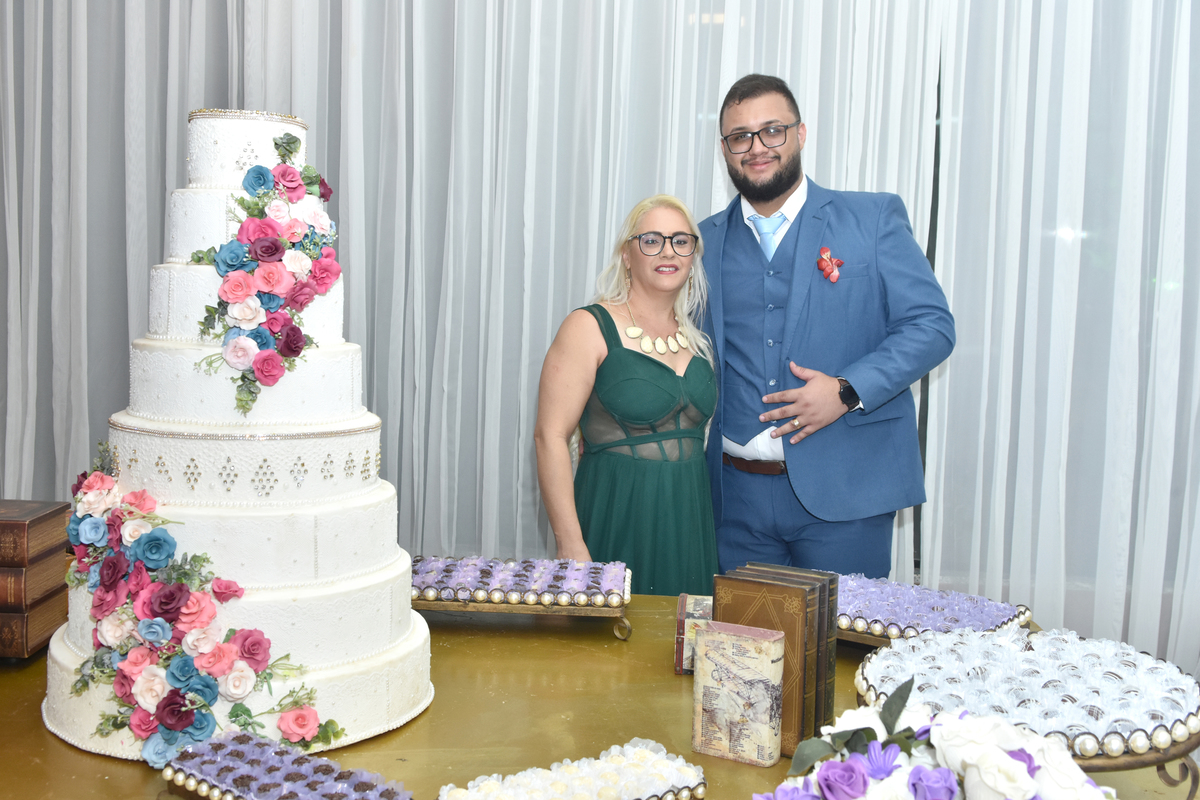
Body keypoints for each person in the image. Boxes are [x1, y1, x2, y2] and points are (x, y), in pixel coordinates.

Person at [698, 74, 955, 579]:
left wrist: (846, 390)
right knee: (743, 634)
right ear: (725, 149)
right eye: (740, 136)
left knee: (842, 633)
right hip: (734, 503)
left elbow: (931, 326)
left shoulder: (872, 218)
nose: (757, 147)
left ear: (800, 133)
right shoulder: (700, 242)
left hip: (848, 492)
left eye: (772, 130)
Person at [535, 195, 718, 596]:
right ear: (627, 255)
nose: (668, 251)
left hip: (689, 523)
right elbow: (549, 436)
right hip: (616, 512)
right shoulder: (589, 326)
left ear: (692, 257)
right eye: (651, 240)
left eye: (680, 241)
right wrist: (570, 543)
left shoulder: (697, 338)